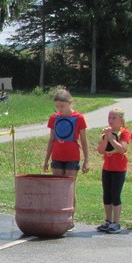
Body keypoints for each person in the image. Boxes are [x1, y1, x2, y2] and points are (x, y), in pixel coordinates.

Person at [42, 88, 89, 231]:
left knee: (69, 188)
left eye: (62, 106)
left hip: (72, 157)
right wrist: (46, 160)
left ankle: (70, 219)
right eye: (57, 106)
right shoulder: (54, 118)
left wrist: (87, 160)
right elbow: (51, 139)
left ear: (70, 103)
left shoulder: (79, 118)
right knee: (56, 188)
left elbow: (84, 140)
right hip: (57, 156)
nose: (59, 109)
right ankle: (56, 216)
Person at [96, 108, 130, 233]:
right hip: (107, 168)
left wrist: (111, 139)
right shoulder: (105, 133)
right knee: (107, 195)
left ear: (121, 120)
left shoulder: (124, 133)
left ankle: (116, 223)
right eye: (109, 118)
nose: (110, 120)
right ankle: (108, 221)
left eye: (114, 118)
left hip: (119, 169)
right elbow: (100, 150)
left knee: (116, 195)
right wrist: (106, 139)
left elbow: (122, 149)